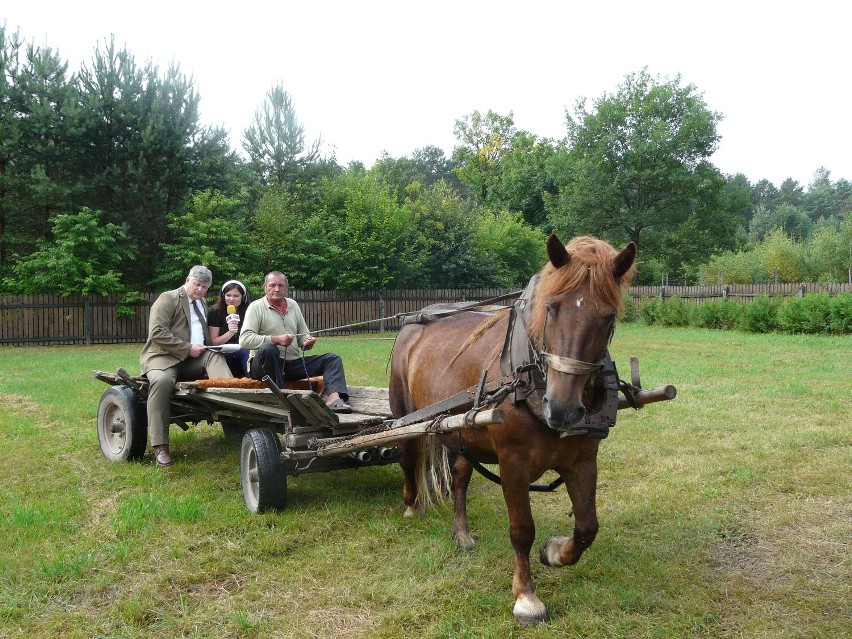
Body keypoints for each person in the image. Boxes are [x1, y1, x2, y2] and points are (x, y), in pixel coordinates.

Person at [139, 265, 234, 467]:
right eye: (197, 284)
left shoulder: (202, 303)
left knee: (216, 358)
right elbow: (157, 332)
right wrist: (187, 348)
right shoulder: (168, 298)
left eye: (205, 287)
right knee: (162, 382)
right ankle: (160, 446)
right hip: (162, 357)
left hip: (193, 358)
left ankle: (234, 417)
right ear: (187, 280)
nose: (200, 289)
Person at [239, 271, 352, 413]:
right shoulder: (256, 307)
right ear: (265, 287)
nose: (277, 289)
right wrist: (275, 339)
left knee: (332, 359)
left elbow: (302, 336)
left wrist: (307, 341)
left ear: (286, 288)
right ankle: (280, 399)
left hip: (289, 365)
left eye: (281, 285)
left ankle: (334, 400)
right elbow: (244, 340)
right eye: (272, 285)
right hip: (261, 366)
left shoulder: (293, 305)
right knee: (269, 348)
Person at [207, 279, 251, 377]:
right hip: (222, 353)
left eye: (236, 296)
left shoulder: (249, 312)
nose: (231, 299)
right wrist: (230, 332)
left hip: (245, 350)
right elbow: (214, 342)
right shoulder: (215, 313)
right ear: (223, 296)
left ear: (243, 297)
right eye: (228, 295)